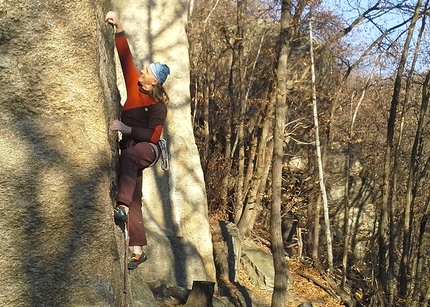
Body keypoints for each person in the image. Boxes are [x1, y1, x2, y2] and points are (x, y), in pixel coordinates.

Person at [105, 11, 170, 270]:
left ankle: (120, 206)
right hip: (132, 149)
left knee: (130, 157)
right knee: (135, 196)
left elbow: (154, 136)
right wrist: (119, 26)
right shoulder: (135, 84)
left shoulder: (158, 105)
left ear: (153, 80)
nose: (141, 71)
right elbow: (124, 56)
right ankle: (138, 250)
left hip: (148, 149)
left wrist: (125, 127)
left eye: (146, 71)